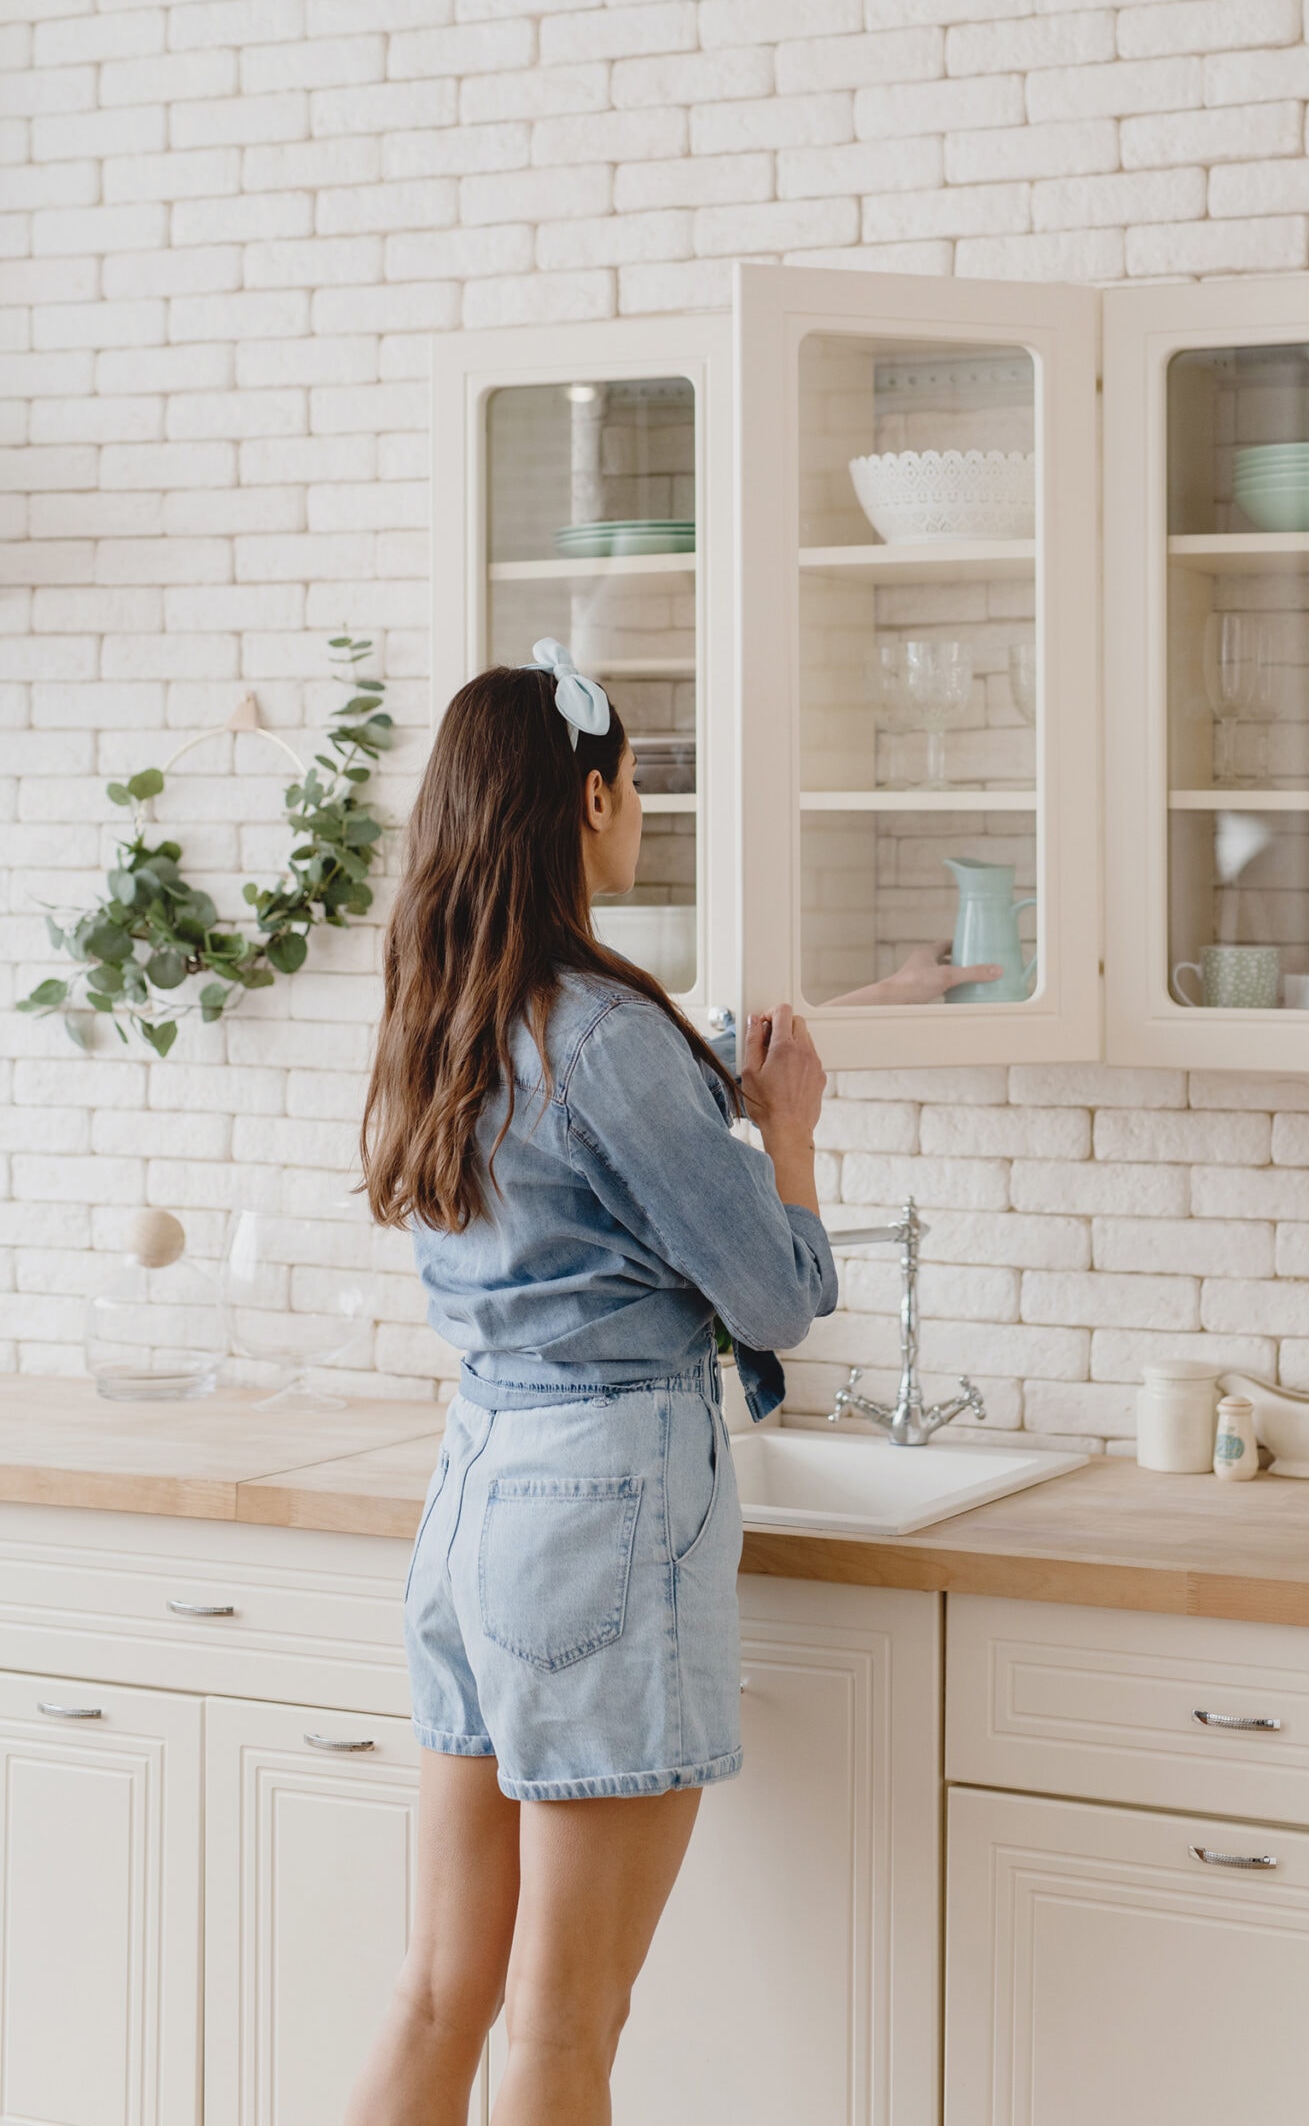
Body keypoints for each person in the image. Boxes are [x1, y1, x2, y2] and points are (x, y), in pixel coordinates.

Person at [346, 638, 982, 2126]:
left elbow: (648, 1092)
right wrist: (799, 1150)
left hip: (474, 1504)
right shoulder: (606, 1035)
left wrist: (860, 1001)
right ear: (585, 801)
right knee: (566, 2029)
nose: (642, 809)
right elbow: (775, 1295)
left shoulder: (444, 1013)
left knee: (442, 1993)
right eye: (636, 784)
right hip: (601, 1517)